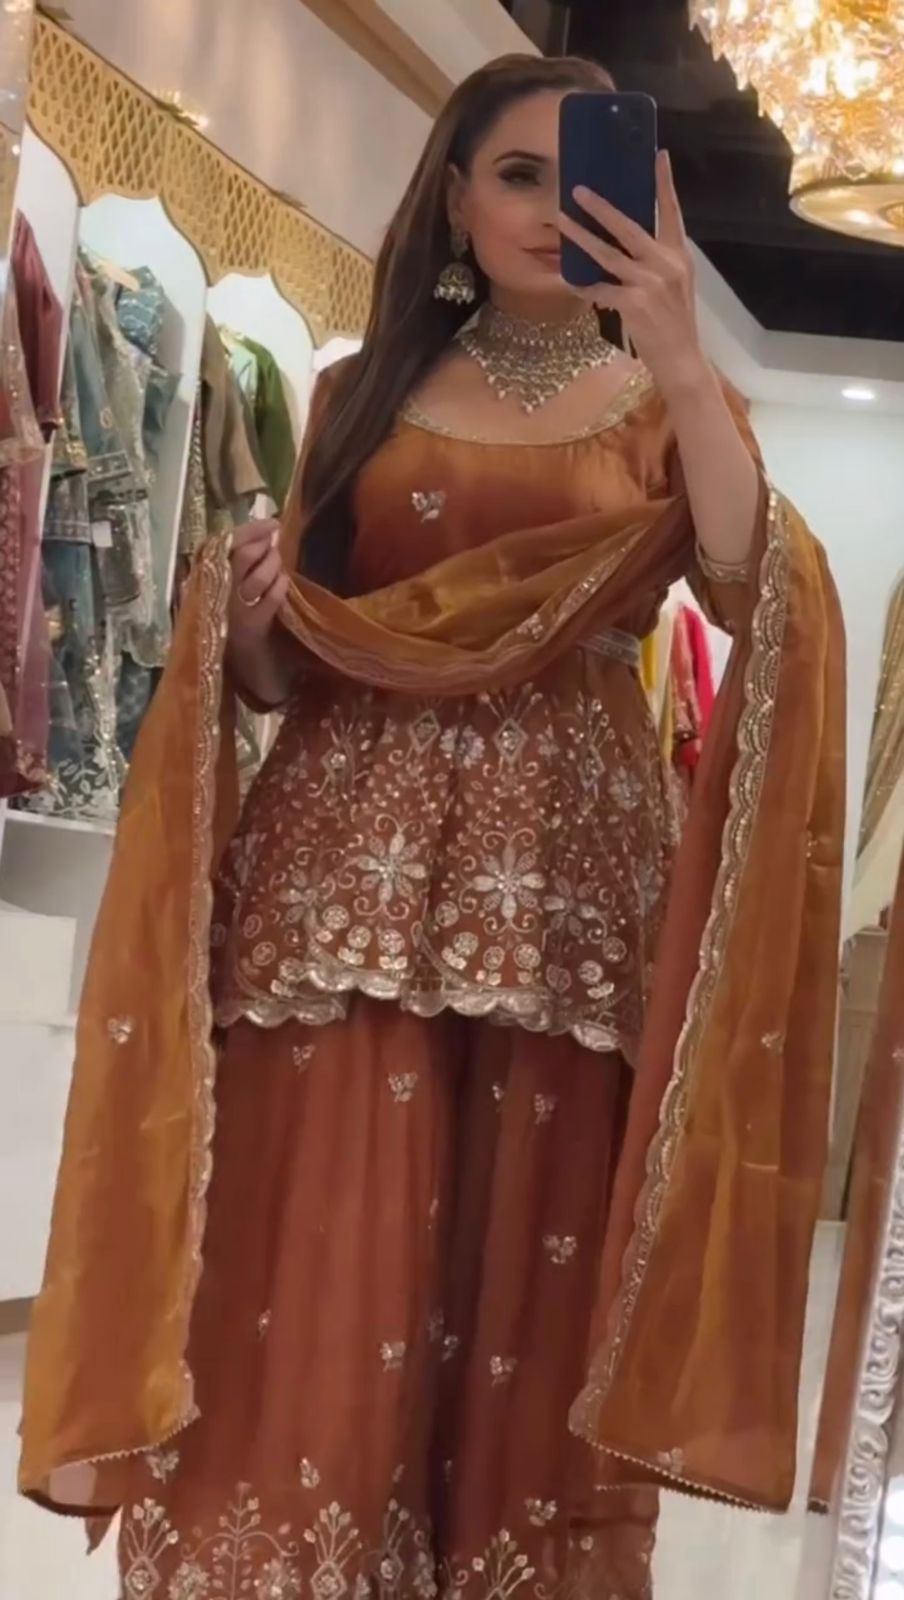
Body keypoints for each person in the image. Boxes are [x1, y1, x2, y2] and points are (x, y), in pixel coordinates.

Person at [20, 54, 846, 1600]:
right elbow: (293, 667)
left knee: (526, 1249)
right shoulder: (358, 399)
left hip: (561, 894)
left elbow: (754, 589)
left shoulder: (665, 408)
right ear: (455, 200)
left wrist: (676, 343)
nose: (550, 207)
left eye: (579, 177)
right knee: (318, 1238)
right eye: (517, 174)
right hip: (344, 877)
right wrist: (248, 627)